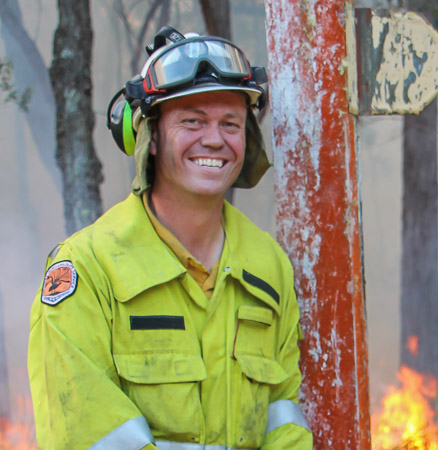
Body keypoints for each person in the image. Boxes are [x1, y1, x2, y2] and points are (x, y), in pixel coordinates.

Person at [28, 26, 312, 449]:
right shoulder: (89, 270)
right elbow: (87, 435)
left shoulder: (268, 266)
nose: (214, 139)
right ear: (150, 137)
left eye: (230, 123)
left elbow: (283, 415)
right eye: (192, 121)